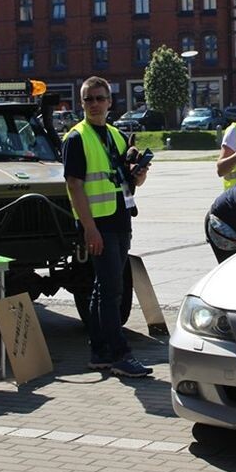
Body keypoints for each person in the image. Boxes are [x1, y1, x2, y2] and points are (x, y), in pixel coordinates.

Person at [63, 77, 152, 378]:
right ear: (82, 103)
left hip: (120, 218)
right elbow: (74, 186)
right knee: (112, 289)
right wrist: (89, 229)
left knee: (104, 287)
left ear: (110, 102)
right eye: (89, 99)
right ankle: (119, 353)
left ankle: (99, 350)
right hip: (98, 224)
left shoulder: (117, 135)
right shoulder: (76, 138)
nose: (95, 104)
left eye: (100, 98)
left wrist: (138, 176)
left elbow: (126, 180)